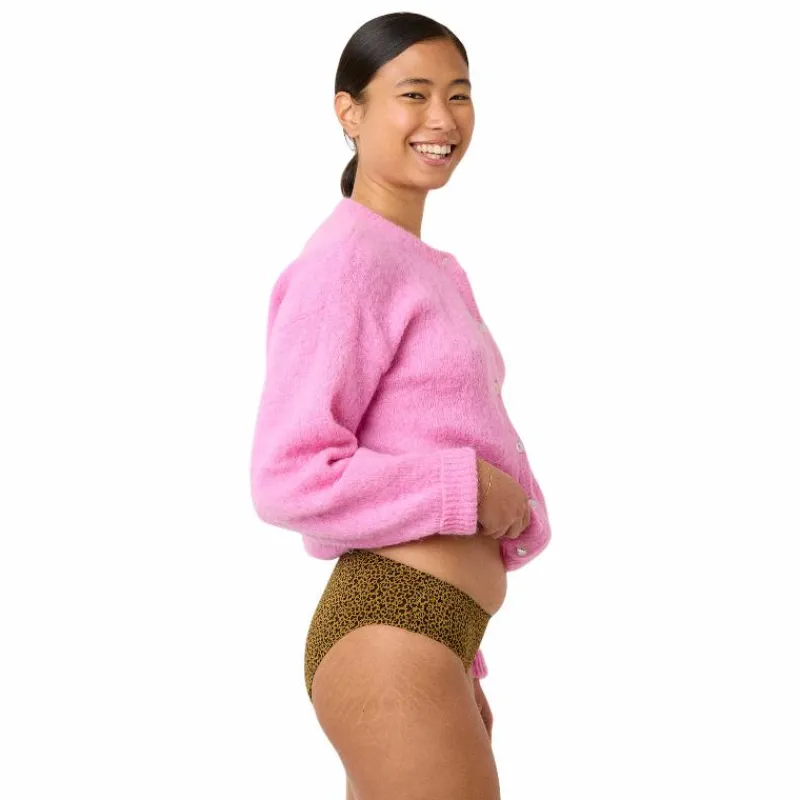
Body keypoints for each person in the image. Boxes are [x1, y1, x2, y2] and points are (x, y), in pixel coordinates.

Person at [249, 12, 551, 800]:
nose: (442, 119)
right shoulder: (346, 260)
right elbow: (287, 475)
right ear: (348, 112)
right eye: (413, 94)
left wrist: (461, 661)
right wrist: (468, 488)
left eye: (459, 94)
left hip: (432, 636)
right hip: (392, 630)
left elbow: (415, 428)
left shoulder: (416, 264)